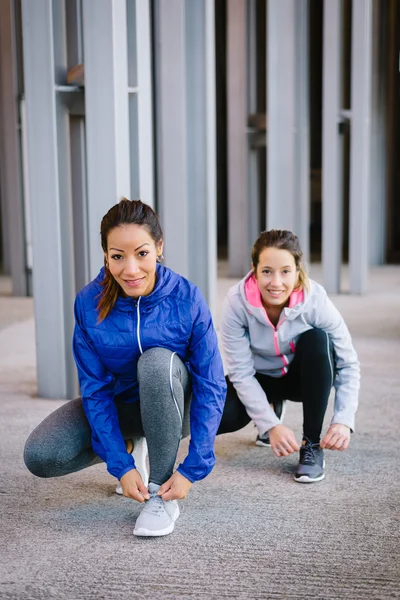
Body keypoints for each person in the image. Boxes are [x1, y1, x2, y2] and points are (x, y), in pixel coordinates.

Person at [24, 199, 226, 536]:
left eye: (141, 253)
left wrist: (194, 466)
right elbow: (95, 389)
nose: (130, 270)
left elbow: (211, 383)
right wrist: (120, 463)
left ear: (158, 248)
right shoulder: (88, 303)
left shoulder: (187, 298)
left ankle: (160, 493)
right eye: (118, 256)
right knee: (43, 455)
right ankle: (134, 446)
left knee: (156, 362)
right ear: (106, 255)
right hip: (124, 406)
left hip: (176, 405)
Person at [218, 229, 360, 483]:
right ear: (254, 269)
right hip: (260, 377)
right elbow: (240, 372)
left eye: (285, 271)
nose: (276, 282)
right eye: (267, 271)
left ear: (297, 270)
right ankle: (272, 407)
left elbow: (348, 363)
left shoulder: (314, 299)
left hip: (301, 379)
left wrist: (343, 420)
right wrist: (270, 425)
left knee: (318, 339)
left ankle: (311, 445)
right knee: (220, 417)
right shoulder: (236, 302)